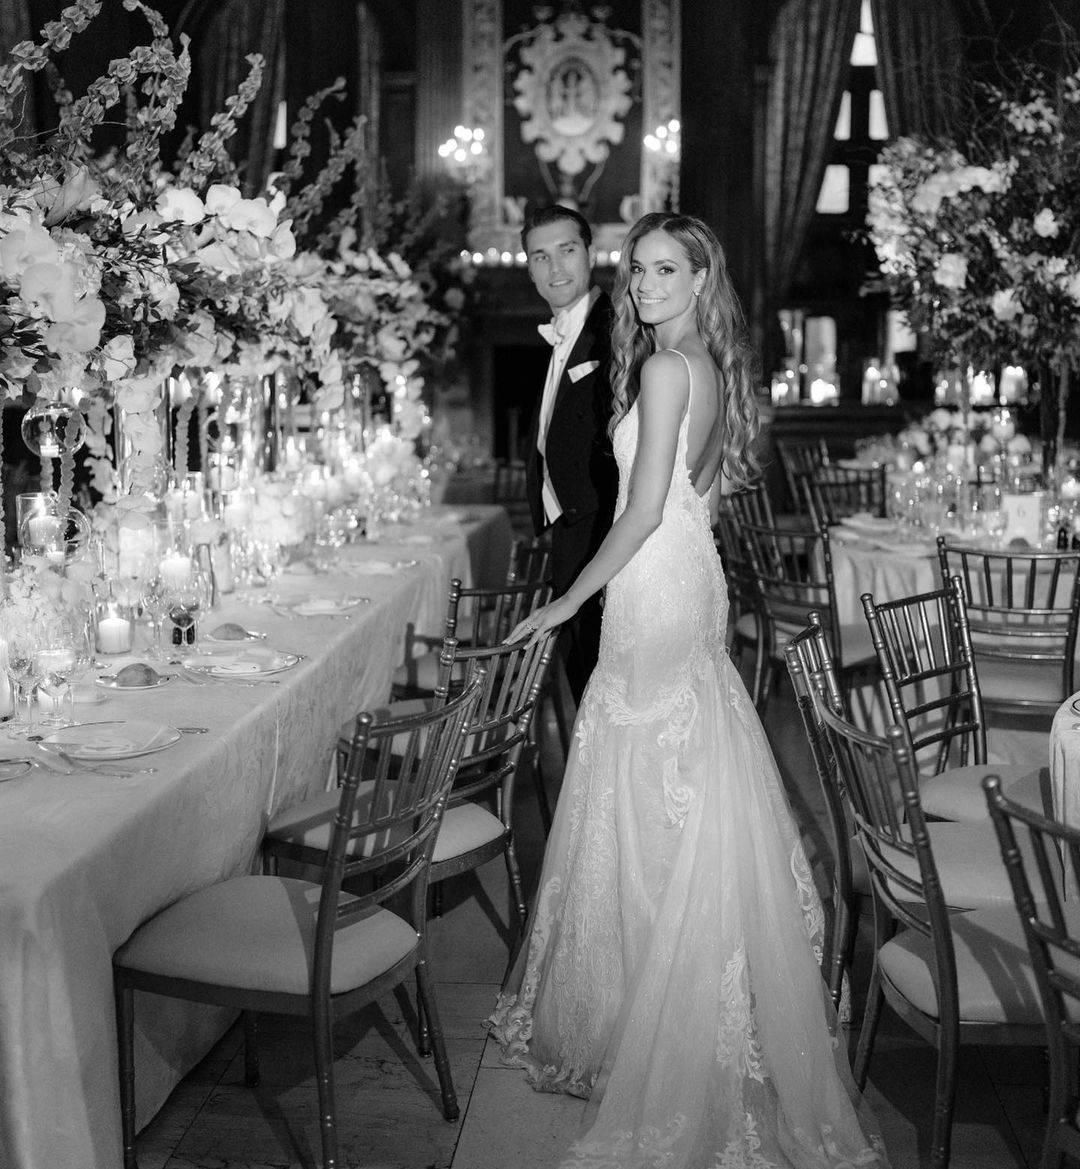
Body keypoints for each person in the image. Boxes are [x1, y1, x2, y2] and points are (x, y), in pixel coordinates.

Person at [486, 212, 887, 1168]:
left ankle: (655, 1019)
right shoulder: (707, 364)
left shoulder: (667, 368)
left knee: (640, 782)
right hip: (688, 578)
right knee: (677, 784)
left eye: (666, 271)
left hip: (654, 585)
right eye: (637, 271)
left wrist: (565, 601)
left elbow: (641, 512)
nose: (643, 286)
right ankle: (671, 1003)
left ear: (702, 279)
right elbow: (701, 495)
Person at [522, 204, 619, 705]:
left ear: (591, 253)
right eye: (541, 256)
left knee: (601, 688)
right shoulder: (563, 329)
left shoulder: (617, 330)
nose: (555, 268)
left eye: (567, 250)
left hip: (603, 535)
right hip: (570, 531)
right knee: (583, 681)